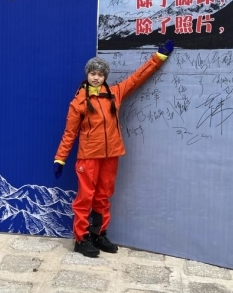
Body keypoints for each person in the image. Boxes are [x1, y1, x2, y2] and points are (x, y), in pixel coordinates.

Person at [53, 42, 174, 258]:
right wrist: (60, 158)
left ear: (105, 76)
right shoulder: (78, 102)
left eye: (100, 74)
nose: (96, 77)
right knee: (85, 198)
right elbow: (69, 133)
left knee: (103, 196)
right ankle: (81, 238)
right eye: (93, 73)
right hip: (89, 157)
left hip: (111, 156)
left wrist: (158, 57)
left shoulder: (115, 94)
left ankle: (98, 234)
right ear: (87, 75)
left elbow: (137, 78)